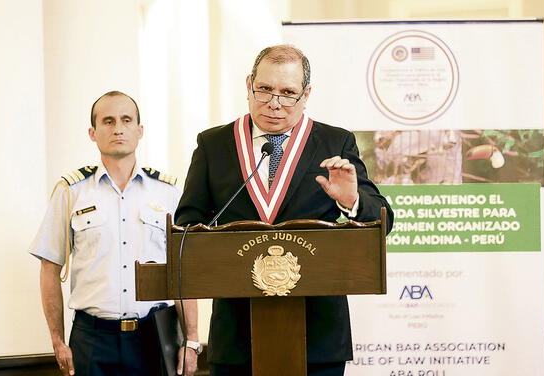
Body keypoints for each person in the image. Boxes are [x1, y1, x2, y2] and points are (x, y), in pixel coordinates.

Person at [175, 45, 394, 376]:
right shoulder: (214, 144)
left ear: (306, 95)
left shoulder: (335, 142)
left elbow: (384, 220)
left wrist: (351, 200)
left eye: (288, 93)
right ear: (249, 84)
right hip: (236, 336)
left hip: (317, 334)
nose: (274, 103)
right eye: (264, 89)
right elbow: (187, 227)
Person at [29, 91, 200, 376]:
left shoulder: (168, 191)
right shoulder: (72, 191)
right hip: (92, 337)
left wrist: (192, 340)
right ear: (93, 133)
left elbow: (182, 272)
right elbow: (50, 266)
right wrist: (58, 342)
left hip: (154, 336)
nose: (118, 128)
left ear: (139, 130)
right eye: (108, 121)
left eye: (126, 120)